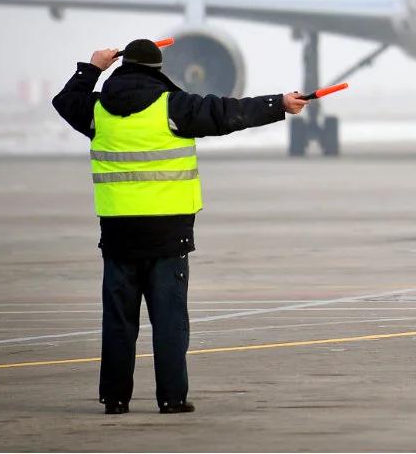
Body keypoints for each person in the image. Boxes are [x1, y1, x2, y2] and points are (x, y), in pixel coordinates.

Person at [52, 39, 308, 415]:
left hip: (119, 235)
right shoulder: (174, 107)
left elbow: (64, 101)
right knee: (170, 323)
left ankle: (115, 399)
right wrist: (279, 104)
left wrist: (91, 68)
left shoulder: (96, 112)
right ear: (158, 70)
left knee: (119, 323)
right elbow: (228, 112)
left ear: (123, 68)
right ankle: (171, 399)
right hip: (168, 236)